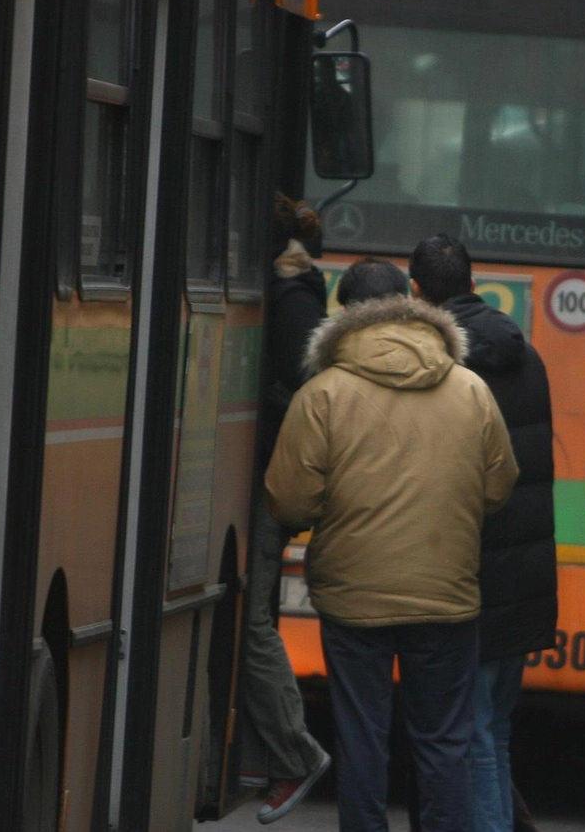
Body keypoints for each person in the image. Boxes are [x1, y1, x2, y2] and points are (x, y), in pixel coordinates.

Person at [266, 257, 519, 832]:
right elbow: (499, 488)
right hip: (446, 595)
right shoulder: (471, 388)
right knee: (444, 743)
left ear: (344, 313)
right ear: (413, 304)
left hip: (354, 600)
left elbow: (290, 504)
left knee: (363, 740)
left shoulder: (322, 393)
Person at [407, 234, 557, 832]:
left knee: (470, 739)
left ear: (417, 292)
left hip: (469, 575)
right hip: (522, 573)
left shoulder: (443, 365)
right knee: (494, 733)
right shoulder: (527, 355)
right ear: (475, 282)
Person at [239, 193, 331, 824]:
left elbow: (302, 391)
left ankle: (293, 755)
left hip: (272, 474)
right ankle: (259, 748)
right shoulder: (293, 289)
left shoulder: (293, 299)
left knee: (252, 623)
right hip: (270, 470)